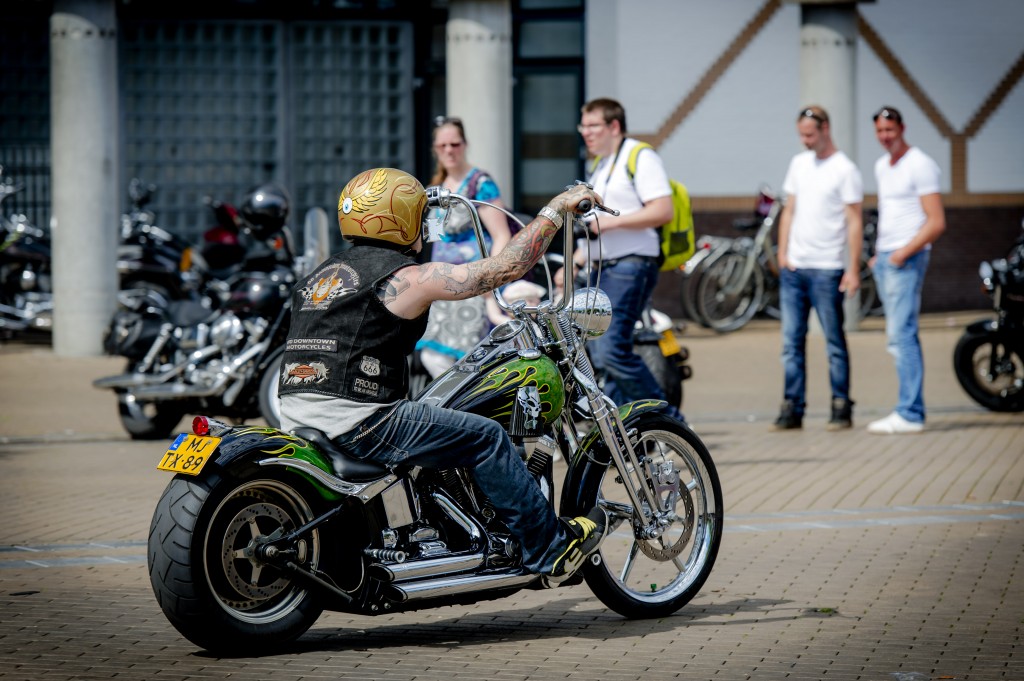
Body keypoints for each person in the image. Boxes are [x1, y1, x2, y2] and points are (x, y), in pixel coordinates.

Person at [278, 167, 607, 582]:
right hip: (360, 418)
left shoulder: (320, 276)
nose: (426, 227)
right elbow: (505, 267)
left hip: (295, 412)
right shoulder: (404, 277)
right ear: (400, 219)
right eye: (420, 215)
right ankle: (551, 549)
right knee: (486, 437)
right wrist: (557, 209)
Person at [574, 97, 683, 421]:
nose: (586, 133)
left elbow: (663, 210)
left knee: (611, 350)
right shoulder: (602, 165)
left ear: (614, 127)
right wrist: (577, 260)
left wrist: (610, 222)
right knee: (598, 350)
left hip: (633, 264)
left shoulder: (639, 156)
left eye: (593, 126)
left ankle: (670, 422)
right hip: (605, 266)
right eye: (583, 126)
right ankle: (629, 428)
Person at [772, 106, 863, 431]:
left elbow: (854, 221)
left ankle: (841, 407)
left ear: (826, 129)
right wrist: (782, 254)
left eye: (809, 134)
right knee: (790, 342)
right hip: (795, 268)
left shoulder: (845, 169)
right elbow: (789, 210)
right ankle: (791, 409)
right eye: (801, 134)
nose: (804, 140)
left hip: (828, 269)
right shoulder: (799, 163)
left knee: (834, 342)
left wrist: (852, 269)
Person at [866, 106, 945, 435]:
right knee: (895, 337)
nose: (886, 137)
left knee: (903, 337)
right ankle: (908, 410)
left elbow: (936, 221)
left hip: (906, 259)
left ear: (902, 128)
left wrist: (900, 254)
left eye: (890, 130)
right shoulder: (882, 165)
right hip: (887, 258)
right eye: (880, 131)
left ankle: (910, 413)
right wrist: (879, 255)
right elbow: (891, 213)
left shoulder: (921, 164)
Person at [415, 116, 513, 378]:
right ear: (435, 149)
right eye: (443, 145)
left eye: (455, 144)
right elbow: (435, 243)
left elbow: (501, 235)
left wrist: (489, 282)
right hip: (444, 285)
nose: (449, 150)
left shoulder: (480, 183)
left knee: (468, 358)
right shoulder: (434, 189)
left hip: (474, 283)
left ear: (465, 144)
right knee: (433, 356)